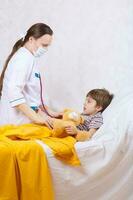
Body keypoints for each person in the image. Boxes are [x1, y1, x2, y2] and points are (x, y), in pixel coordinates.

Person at [0, 23, 61, 126]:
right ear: (31, 39)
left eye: (47, 46)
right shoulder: (23, 59)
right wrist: (37, 118)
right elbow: (13, 91)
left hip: (24, 120)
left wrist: (48, 111)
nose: (45, 49)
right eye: (44, 45)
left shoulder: (28, 57)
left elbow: (30, 95)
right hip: (16, 123)